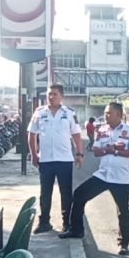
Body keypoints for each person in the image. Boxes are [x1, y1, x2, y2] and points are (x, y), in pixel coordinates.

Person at [60, 102, 129, 255]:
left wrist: (116, 152)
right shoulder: (103, 130)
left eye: (109, 113)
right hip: (103, 174)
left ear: (119, 114)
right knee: (79, 195)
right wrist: (108, 149)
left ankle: (124, 243)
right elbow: (96, 151)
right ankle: (76, 230)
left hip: (121, 178)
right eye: (105, 113)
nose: (106, 116)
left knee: (123, 211)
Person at [29, 84, 84, 233]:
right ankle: (44, 222)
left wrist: (79, 154)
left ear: (61, 96)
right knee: (45, 193)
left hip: (64, 159)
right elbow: (32, 134)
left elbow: (76, 135)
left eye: (54, 94)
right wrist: (34, 154)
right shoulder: (39, 112)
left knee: (65, 193)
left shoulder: (69, 113)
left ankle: (66, 223)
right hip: (45, 160)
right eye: (49, 94)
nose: (51, 97)